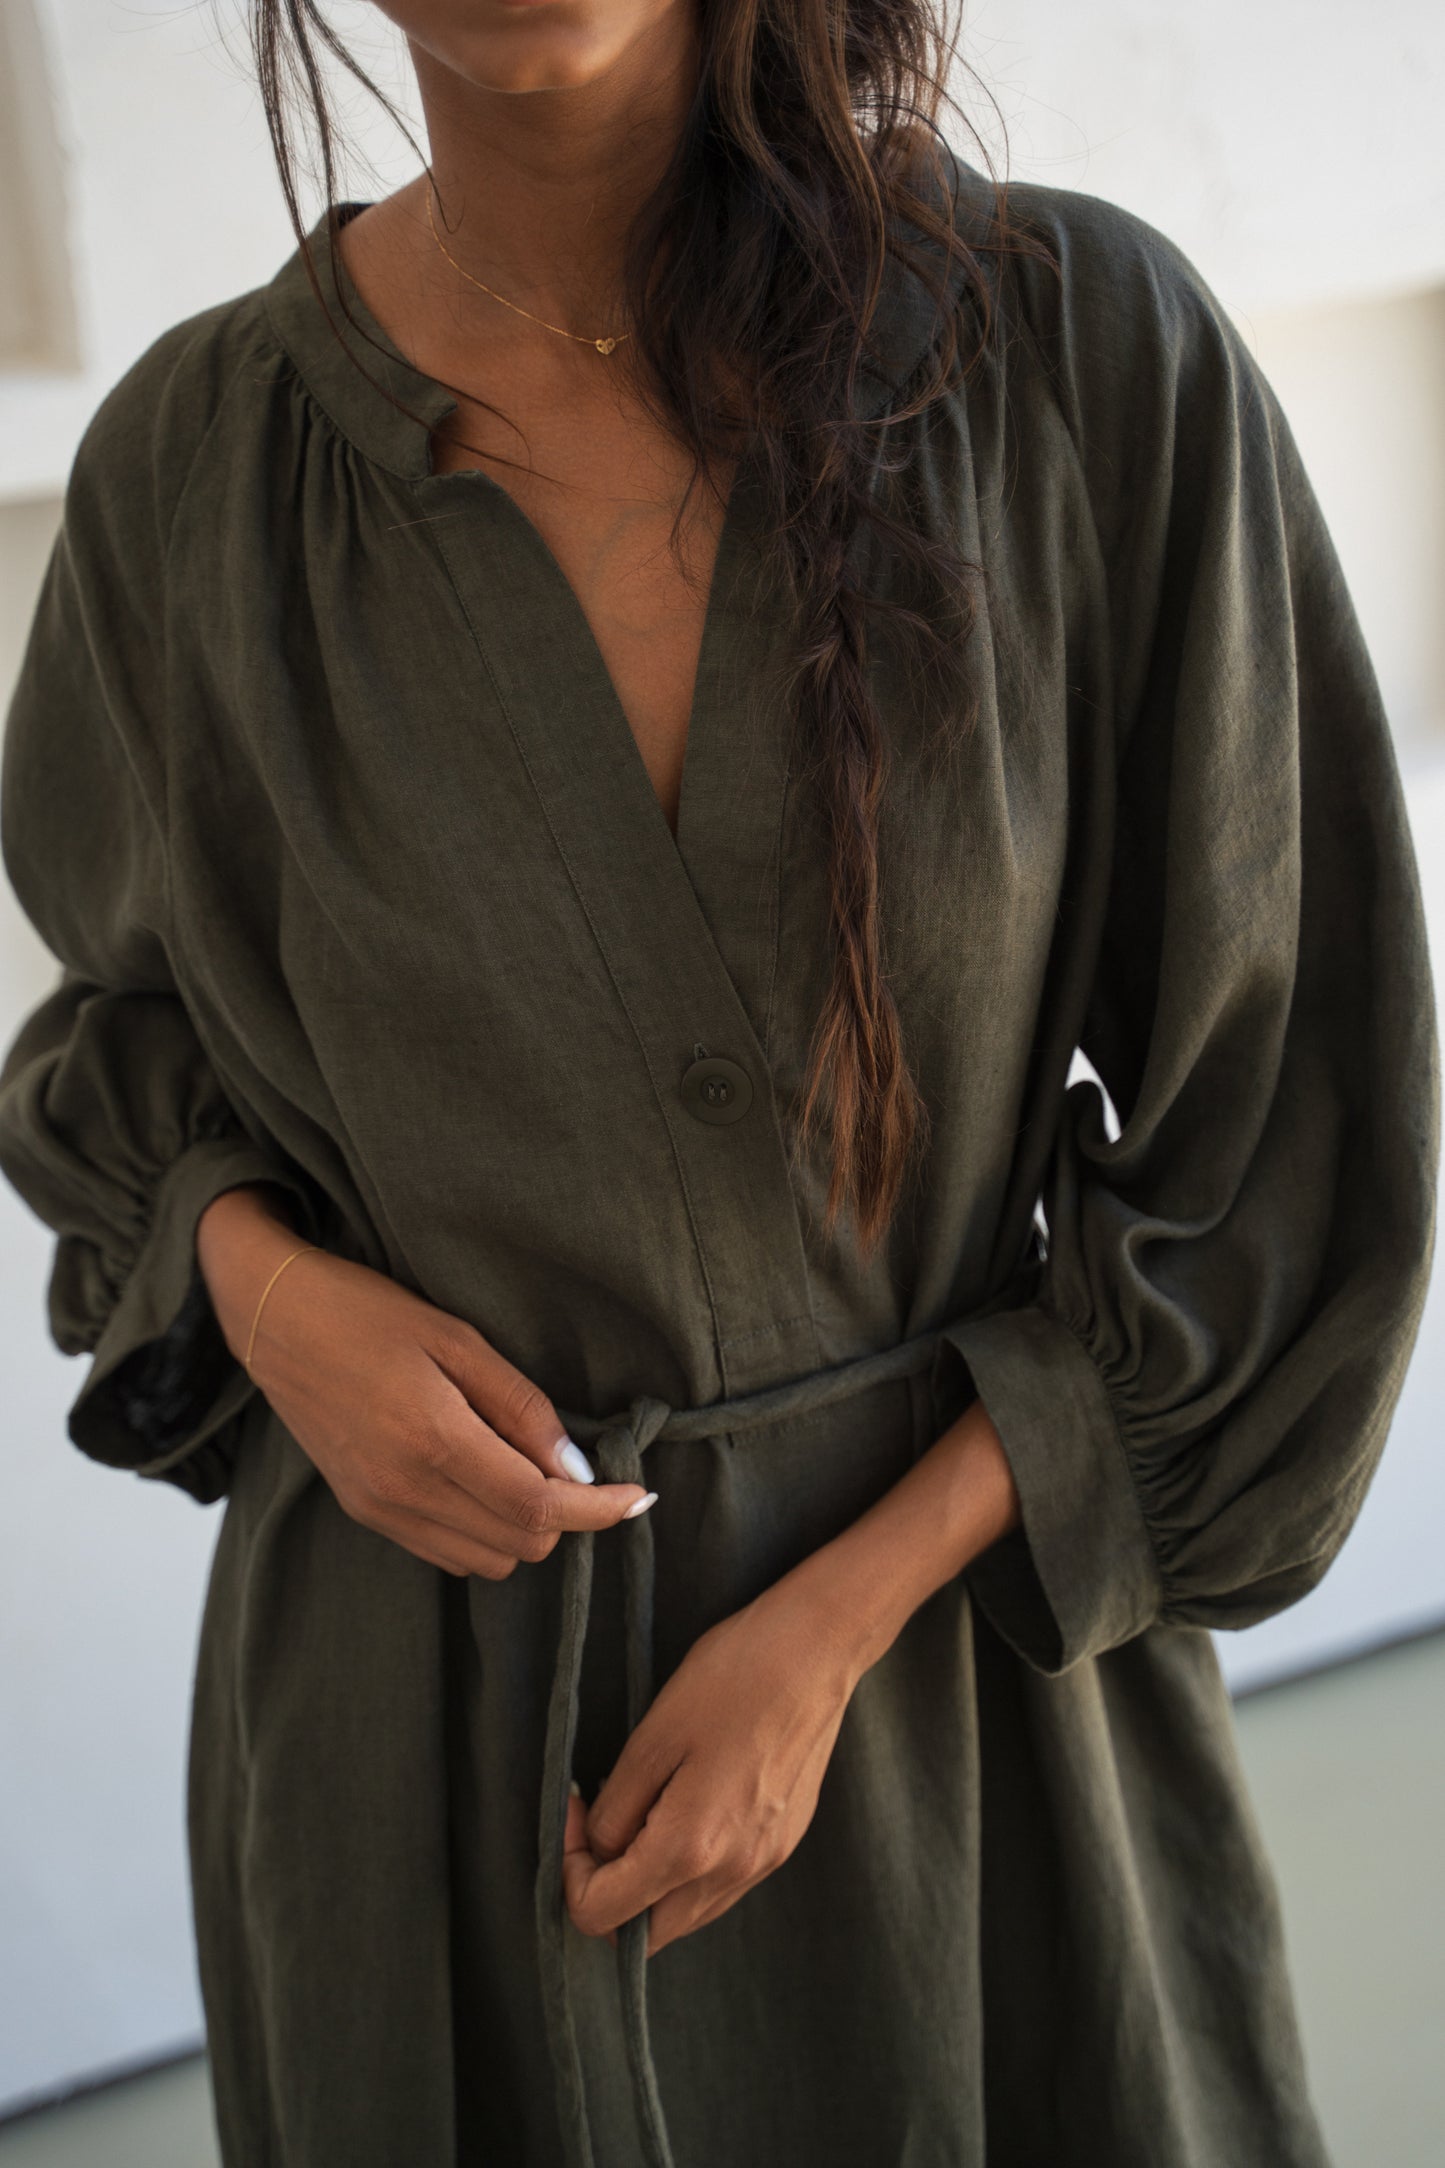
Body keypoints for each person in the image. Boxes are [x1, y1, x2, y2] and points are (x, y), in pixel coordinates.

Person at [0, 0, 1437, 2156]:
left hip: (980, 1727)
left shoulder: (1075, 360)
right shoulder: (196, 479)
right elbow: (108, 1050)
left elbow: (1290, 1144)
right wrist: (278, 1304)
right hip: (415, 1787)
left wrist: (844, 1612)